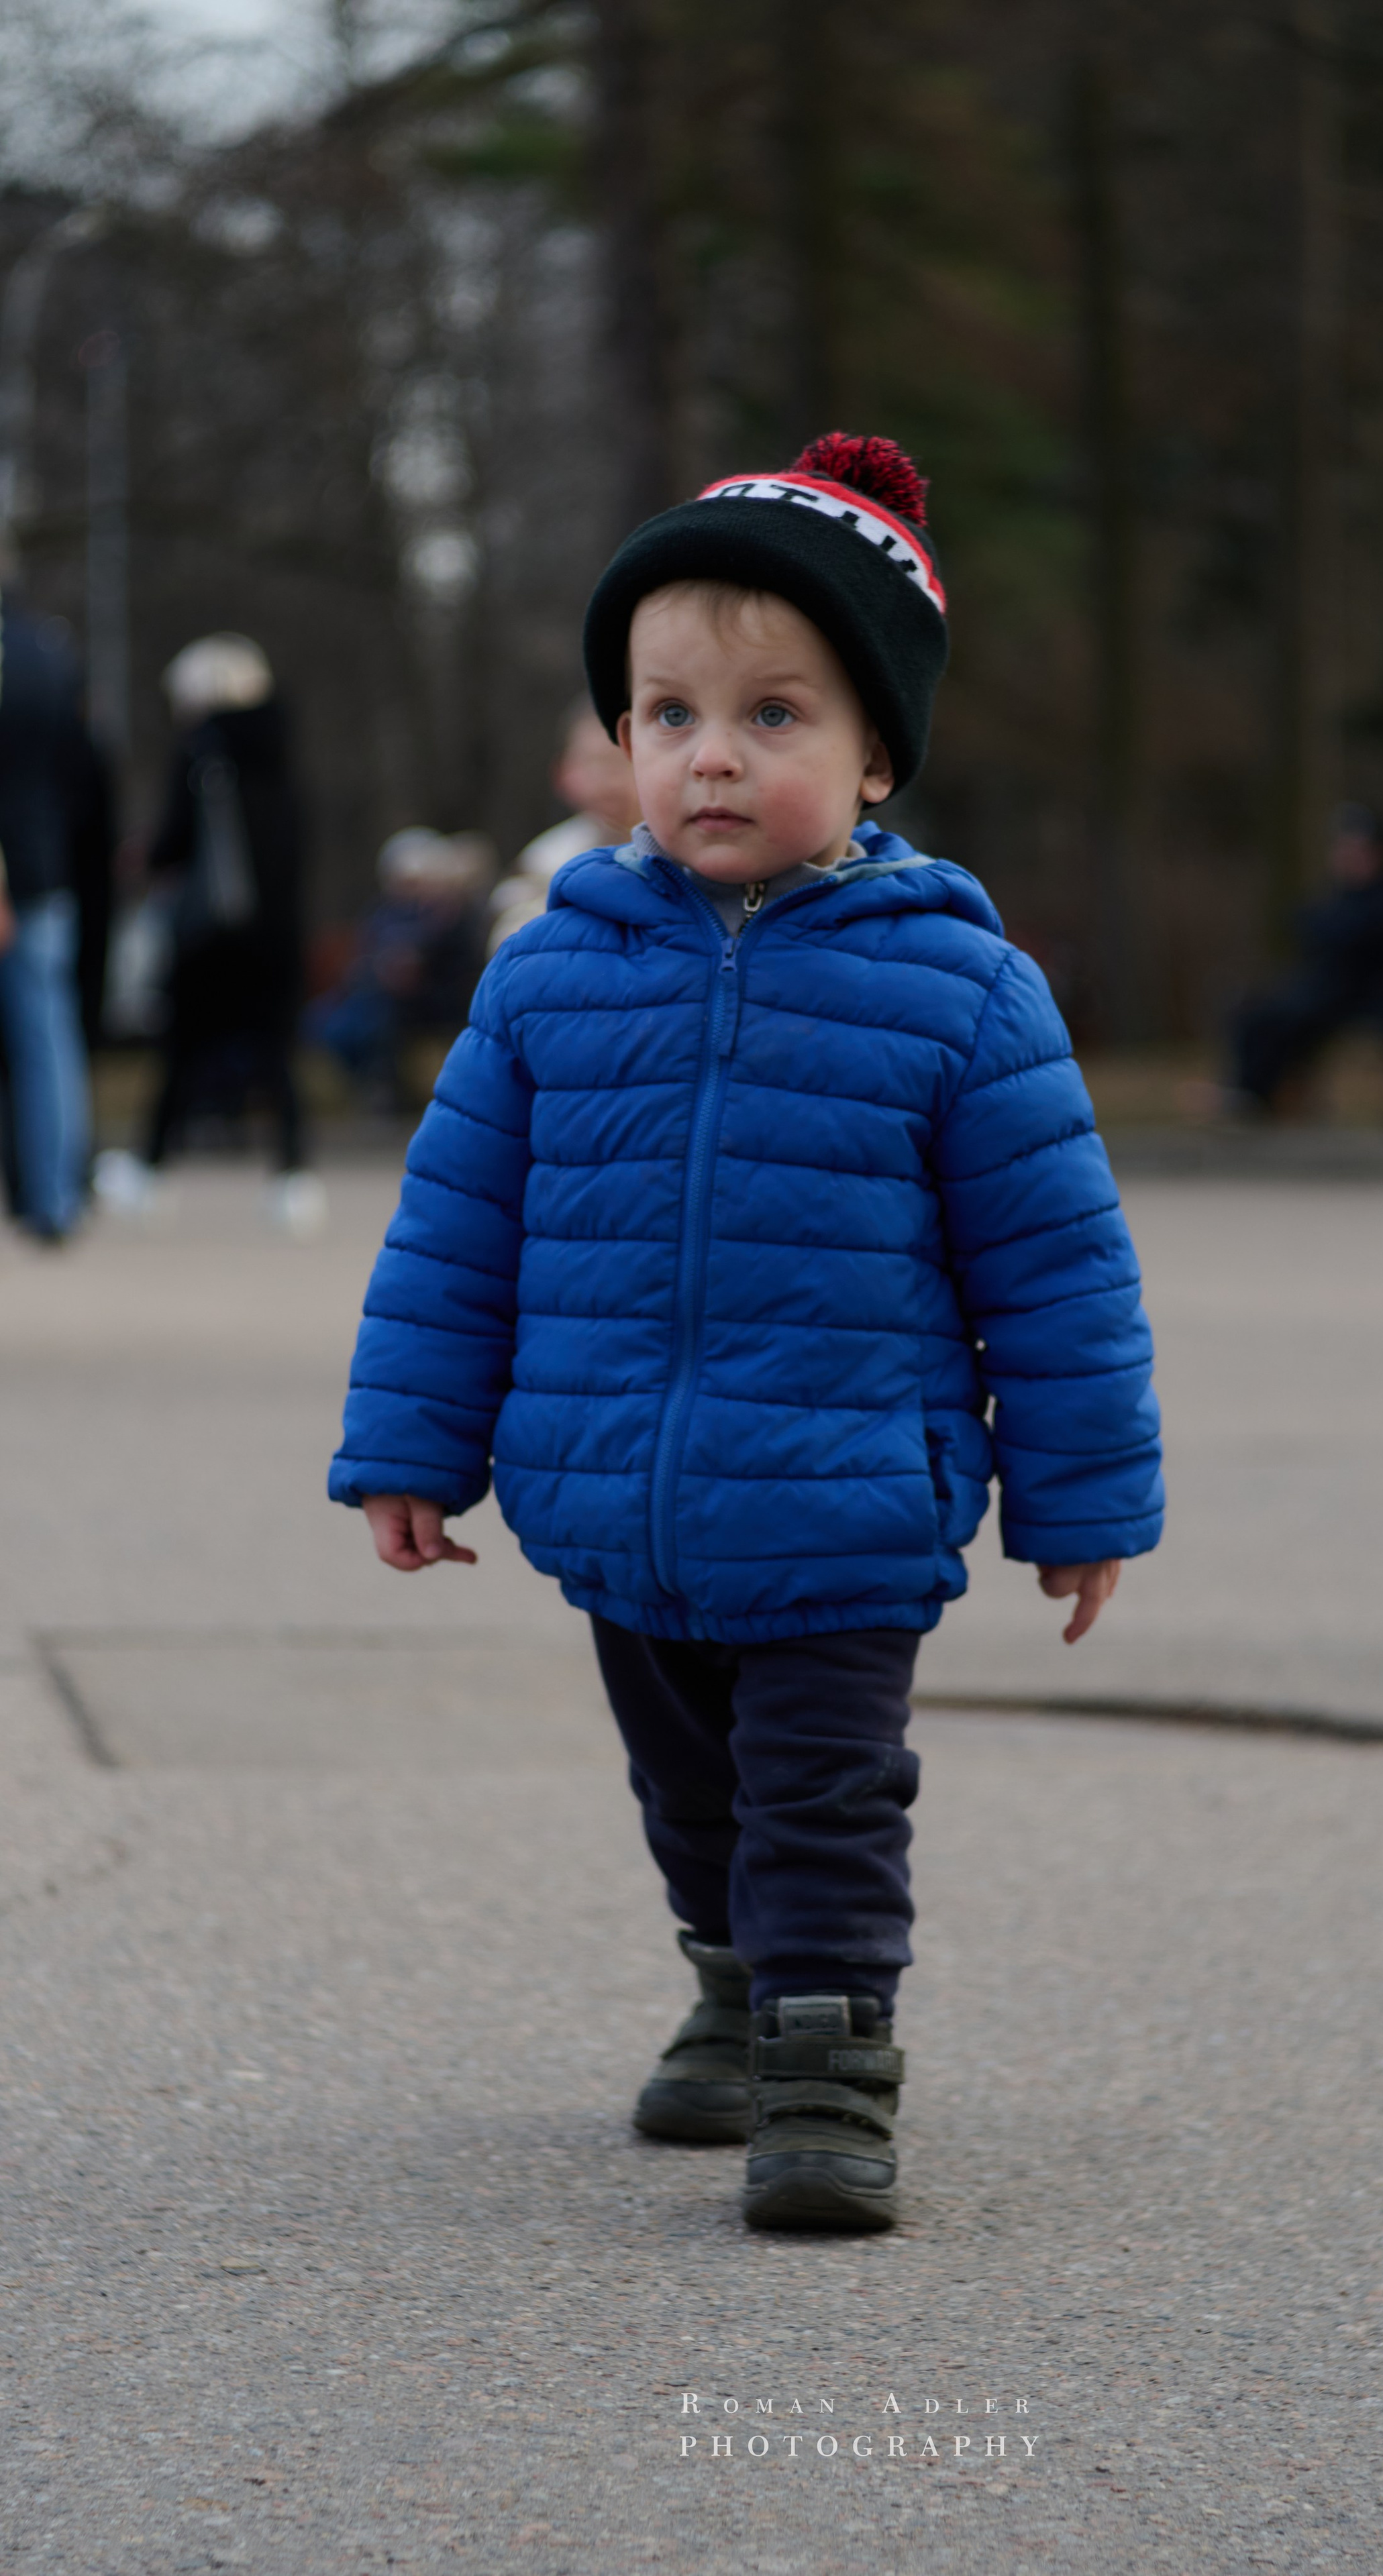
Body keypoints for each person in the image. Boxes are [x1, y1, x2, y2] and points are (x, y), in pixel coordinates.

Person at [328, 432, 1164, 2235]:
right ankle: (729, 1981)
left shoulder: (960, 987)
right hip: (619, 1496)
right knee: (688, 1792)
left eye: (777, 715)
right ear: (620, 742)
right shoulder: (552, 968)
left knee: (824, 1794)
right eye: (671, 712)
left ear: (876, 755)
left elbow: (1060, 1268)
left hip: (851, 1497)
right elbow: (457, 1231)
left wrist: (1082, 1497)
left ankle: (829, 2063)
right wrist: (411, 1443)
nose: (714, 753)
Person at [95, 635, 323, 1236]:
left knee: (180, 1050)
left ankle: (147, 1168)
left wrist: (146, 856)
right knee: (277, 1056)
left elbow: (178, 839)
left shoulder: (203, 751)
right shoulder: (283, 748)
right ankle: (294, 1180)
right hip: (276, 927)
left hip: (213, 932)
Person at [0, 592, 111, 1242]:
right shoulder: (52, 653)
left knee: (42, 1037)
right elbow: (82, 775)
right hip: (48, 868)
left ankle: (48, 1191)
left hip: (16, 869)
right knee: (50, 1038)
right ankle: (58, 1193)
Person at [1227, 804, 1383, 1113]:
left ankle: (1257, 1097)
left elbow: (1342, 939)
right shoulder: (1338, 896)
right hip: (1320, 988)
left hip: (1360, 995)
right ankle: (1247, 1092)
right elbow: (1306, 927)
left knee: (1284, 1016)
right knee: (1251, 1009)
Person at [308, 828, 490, 1108]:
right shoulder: (382, 914)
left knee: (377, 1024)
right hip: (373, 993)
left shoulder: (450, 916)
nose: (409, 888)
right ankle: (361, 1085)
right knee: (325, 1021)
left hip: (423, 1002)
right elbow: (363, 960)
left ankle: (384, 1090)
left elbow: (456, 969)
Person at [488, 696, 642, 953]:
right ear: (564, 774)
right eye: (594, 763)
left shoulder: (685, 853)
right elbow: (509, 946)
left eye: (623, 761)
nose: (609, 780)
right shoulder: (544, 861)